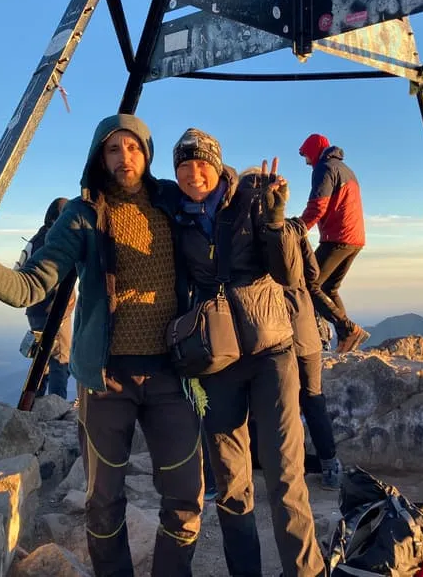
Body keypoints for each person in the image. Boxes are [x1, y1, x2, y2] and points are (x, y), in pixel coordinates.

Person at [0, 114, 203, 577]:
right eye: (114, 149)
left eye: (134, 147)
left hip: (170, 375)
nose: (125, 157)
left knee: (185, 494)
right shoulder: (82, 217)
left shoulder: (170, 203)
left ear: (147, 151)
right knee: (103, 502)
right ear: (99, 156)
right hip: (105, 382)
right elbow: (30, 286)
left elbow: (214, 201)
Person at [172, 128, 325, 577]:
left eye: (201, 163)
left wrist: (277, 221)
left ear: (217, 165)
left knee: (284, 475)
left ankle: (305, 572)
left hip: (271, 352)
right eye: (184, 165)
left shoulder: (252, 199)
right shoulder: (176, 217)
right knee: (231, 483)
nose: (193, 173)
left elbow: (287, 274)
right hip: (216, 360)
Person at [239, 169, 341, 492]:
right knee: (313, 398)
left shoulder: (246, 232)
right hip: (306, 327)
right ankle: (330, 465)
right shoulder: (296, 228)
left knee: (274, 406)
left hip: (272, 331)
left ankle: (282, 464)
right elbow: (312, 275)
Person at [299, 133, 369, 353]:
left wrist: (297, 229)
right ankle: (346, 342)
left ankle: (348, 330)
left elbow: (318, 205)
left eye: (306, 156)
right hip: (355, 239)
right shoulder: (345, 170)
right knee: (330, 287)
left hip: (338, 237)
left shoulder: (324, 168)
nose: (306, 161)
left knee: (308, 285)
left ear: (313, 151)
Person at [15, 196, 75, 399]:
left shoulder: (34, 241)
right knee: (60, 359)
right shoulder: (55, 241)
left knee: (42, 358)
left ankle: (35, 403)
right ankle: (55, 407)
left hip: (34, 310)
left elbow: (18, 272)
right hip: (55, 310)